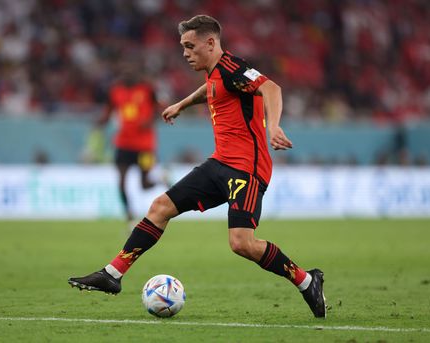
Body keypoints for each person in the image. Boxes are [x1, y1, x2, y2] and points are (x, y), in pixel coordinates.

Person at [69, 15, 326, 318]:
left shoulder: (233, 68)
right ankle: (113, 274)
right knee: (160, 207)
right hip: (220, 163)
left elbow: (272, 89)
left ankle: (307, 280)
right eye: (183, 47)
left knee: (241, 243)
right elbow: (211, 91)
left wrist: (273, 126)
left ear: (210, 43)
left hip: (247, 168)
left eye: (190, 47)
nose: (185, 53)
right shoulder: (215, 73)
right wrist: (182, 103)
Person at [96, 65, 158, 222]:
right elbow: (109, 109)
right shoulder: (116, 91)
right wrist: (102, 120)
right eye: (125, 74)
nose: (128, 76)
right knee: (121, 181)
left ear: (138, 75)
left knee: (144, 184)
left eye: (131, 74)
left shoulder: (147, 90)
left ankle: (161, 179)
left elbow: (159, 108)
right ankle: (129, 214)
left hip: (145, 146)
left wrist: (150, 120)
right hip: (123, 144)